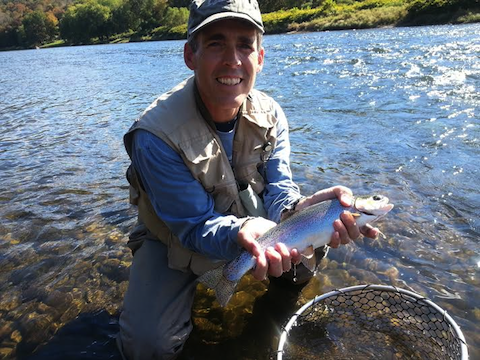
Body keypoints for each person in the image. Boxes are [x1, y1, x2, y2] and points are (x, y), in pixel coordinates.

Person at [117, 0, 379, 358]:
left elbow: (279, 188)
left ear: (260, 58)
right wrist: (241, 233)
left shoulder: (271, 114)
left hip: (251, 223)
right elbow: (192, 226)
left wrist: (298, 209)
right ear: (190, 55)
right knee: (146, 347)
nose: (232, 60)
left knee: (305, 258)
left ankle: (276, 304)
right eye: (215, 43)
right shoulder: (154, 134)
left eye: (245, 45)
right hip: (172, 235)